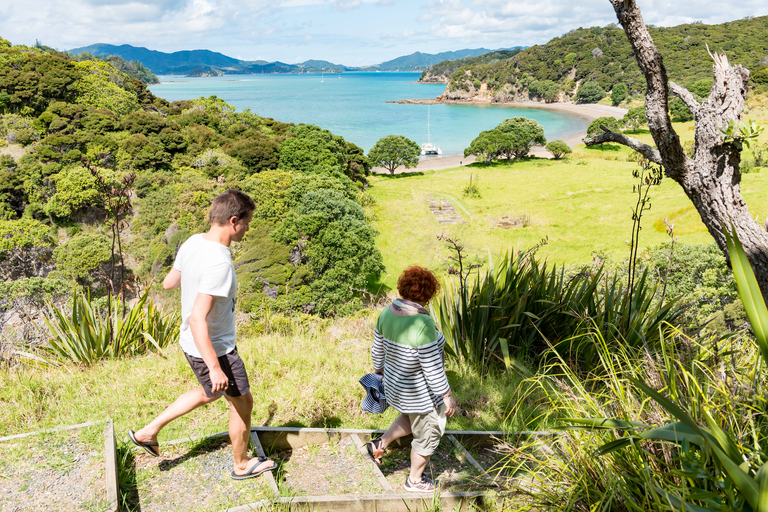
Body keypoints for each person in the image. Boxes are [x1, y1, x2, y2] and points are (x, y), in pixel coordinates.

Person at [128, 189, 276, 480]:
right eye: (247, 223)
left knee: (210, 393)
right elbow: (198, 319)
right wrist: (215, 366)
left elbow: (169, 282)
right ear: (234, 221)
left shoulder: (194, 241)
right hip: (214, 347)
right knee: (243, 403)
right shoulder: (220, 262)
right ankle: (242, 464)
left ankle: (148, 432)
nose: (248, 228)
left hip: (190, 344)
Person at [366, 266, 456, 493]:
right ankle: (415, 480)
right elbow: (432, 367)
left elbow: (377, 350)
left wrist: (379, 372)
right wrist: (446, 395)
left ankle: (380, 444)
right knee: (428, 432)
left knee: (410, 414)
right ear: (427, 294)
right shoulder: (421, 323)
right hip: (418, 391)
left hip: (395, 385)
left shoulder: (387, 312)